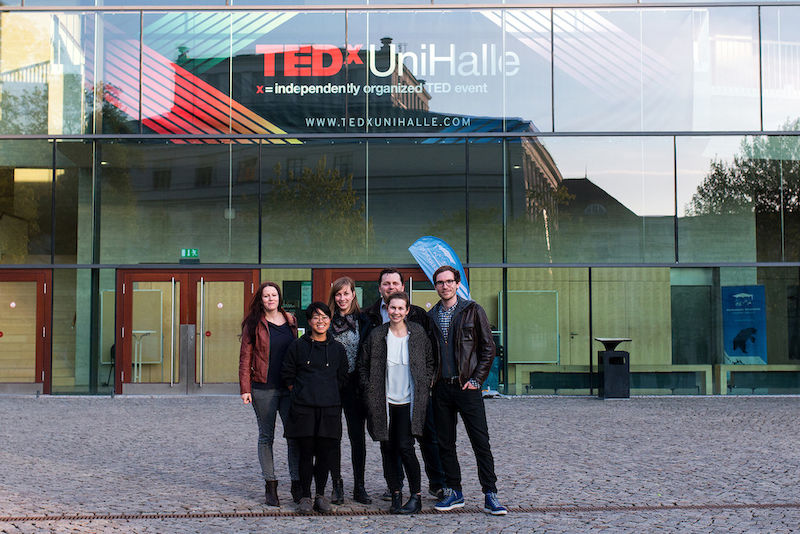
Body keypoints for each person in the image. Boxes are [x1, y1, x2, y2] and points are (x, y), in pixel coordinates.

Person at [427, 265, 508, 516]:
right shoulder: (431, 317)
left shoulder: (473, 310)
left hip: (467, 388)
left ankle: (490, 494)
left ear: (457, 283)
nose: (445, 286)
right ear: (436, 286)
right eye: (440, 282)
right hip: (441, 388)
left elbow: (488, 348)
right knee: (445, 443)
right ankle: (455, 492)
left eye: (449, 281)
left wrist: (476, 380)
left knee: (480, 442)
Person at [363, 268, 446, 501]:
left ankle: (436, 484)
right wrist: (369, 388)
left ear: (402, 288)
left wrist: (428, 381)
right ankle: (395, 486)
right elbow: (365, 357)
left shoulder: (419, 317)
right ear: (380, 288)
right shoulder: (369, 316)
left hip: (415, 393)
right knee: (389, 442)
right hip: (386, 393)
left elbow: (431, 352)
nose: (391, 287)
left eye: (395, 283)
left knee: (427, 437)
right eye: (386, 284)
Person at [238, 281, 301, 507]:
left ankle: (297, 483)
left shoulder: (291, 321)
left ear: (279, 298)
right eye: (266, 296)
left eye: (274, 295)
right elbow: (245, 357)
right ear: (261, 299)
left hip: (289, 388)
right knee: (266, 437)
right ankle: (270, 485)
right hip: (263, 387)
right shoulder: (253, 323)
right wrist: (245, 388)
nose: (270, 299)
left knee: (293, 436)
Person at [282, 302, 348, 514]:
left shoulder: (338, 349)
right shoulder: (298, 346)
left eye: (325, 317)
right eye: (316, 317)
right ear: (309, 321)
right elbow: (287, 375)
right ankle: (304, 497)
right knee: (305, 453)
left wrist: (328, 394)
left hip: (330, 409)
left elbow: (342, 377)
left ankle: (320, 495)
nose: (321, 321)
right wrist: (301, 392)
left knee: (325, 453)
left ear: (330, 320)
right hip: (304, 408)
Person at [327, 277, 372, 505]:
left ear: (354, 294)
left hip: (356, 386)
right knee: (333, 437)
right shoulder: (327, 321)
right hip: (333, 386)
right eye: (338, 294)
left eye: (346, 293)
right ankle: (336, 485)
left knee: (357, 438)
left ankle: (360, 486)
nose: (342, 298)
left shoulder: (364, 321)